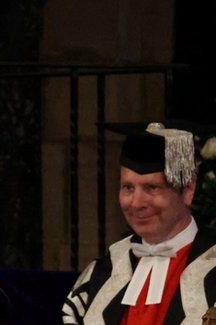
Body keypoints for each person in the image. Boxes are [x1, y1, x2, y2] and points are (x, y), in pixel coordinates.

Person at [63, 122, 216, 324]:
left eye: (151, 188)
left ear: (187, 190)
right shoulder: (102, 272)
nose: (136, 203)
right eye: (128, 187)